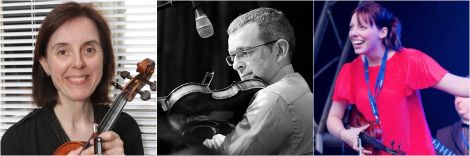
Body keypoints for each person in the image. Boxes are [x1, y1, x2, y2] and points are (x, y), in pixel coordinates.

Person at [326, 1, 469, 155]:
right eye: (351, 27)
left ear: (383, 32)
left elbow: (462, 86)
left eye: (362, 27)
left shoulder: (410, 61)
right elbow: (333, 118)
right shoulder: (349, 71)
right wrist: (343, 134)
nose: (353, 33)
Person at [0, 2, 144, 155]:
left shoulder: (127, 128)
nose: (78, 63)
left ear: (104, 59)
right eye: (63, 52)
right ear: (45, 64)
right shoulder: (16, 141)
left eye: (89, 50)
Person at [202, 7, 313, 154]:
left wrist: (180, 137)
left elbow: (227, 153)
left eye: (244, 52)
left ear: (279, 50)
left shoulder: (275, 96)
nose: (236, 65)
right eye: (233, 56)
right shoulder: (299, 87)